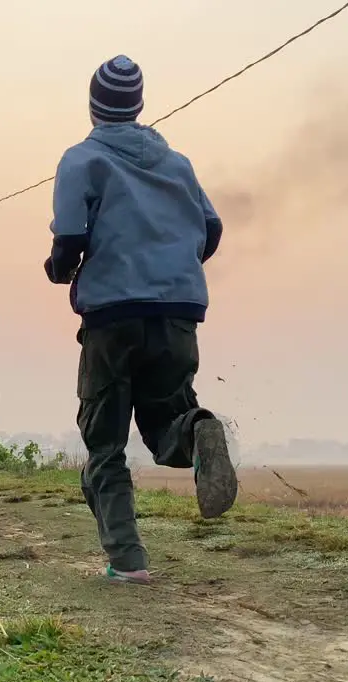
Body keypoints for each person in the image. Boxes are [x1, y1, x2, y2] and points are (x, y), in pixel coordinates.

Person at [44, 54, 238, 585]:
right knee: (164, 424)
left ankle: (128, 562)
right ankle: (198, 431)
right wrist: (170, 269)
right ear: (139, 106)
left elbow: (71, 238)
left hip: (113, 318)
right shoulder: (177, 164)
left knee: (105, 442)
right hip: (178, 315)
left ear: (92, 106)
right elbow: (211, 229)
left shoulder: (82, 160)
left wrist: (58, 271)